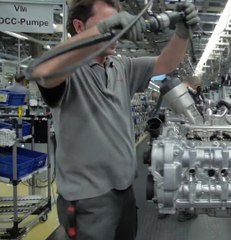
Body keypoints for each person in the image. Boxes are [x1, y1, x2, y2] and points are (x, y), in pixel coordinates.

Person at [29, 0, 199, 239]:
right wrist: (99, 33)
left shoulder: (121, 66)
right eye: (107, 24)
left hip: (124, 192)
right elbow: (43, 73)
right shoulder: (68, 69)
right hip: (86, 200)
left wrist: (182, 32)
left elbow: (165, 63)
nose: (116, 34)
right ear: (79, 26)